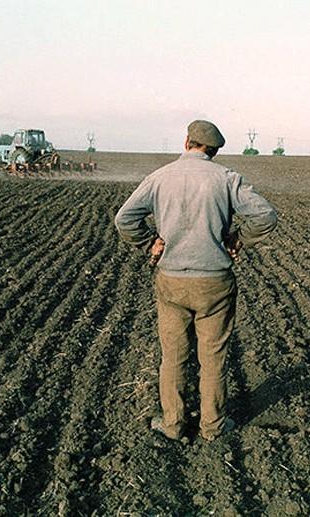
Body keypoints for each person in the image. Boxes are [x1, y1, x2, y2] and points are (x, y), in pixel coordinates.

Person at [114, 120, 277, 441]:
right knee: (213, 358)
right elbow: (265, 216)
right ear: (214, 151)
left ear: (187, 141)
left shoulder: (159, 177)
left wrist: (150, 242)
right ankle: (213, 426)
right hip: (214, 283)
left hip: (172, 281)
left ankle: (173, 425)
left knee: (173, 356)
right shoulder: (227, 178)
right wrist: (238, 238)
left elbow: (125, 219)